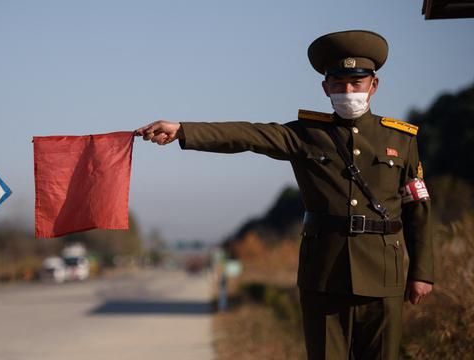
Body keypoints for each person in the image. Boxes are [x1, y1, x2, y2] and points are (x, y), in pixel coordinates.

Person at [136, 30, 433, 359]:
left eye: (356, 82)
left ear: (373, 85)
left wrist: (421, 272)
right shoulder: (306, 135)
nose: (347, 91)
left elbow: (417, 209)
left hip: (383, 277)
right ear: (325, 87)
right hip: (324, 276)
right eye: (338, 83)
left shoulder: (402, 140)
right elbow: (249, 135)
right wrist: (183, 130)